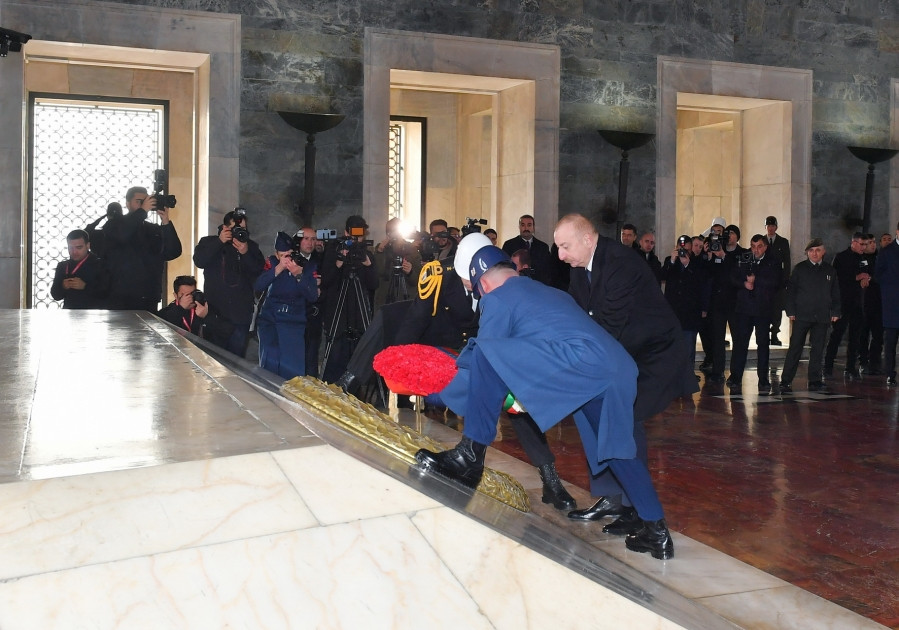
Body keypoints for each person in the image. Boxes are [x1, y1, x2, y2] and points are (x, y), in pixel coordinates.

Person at [415, 245, 673, 559]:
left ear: (481, 284)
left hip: (581, 364)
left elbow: (486, 359)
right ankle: (656, 531)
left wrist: (437, 389)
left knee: (484, 350)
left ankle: (471, 454)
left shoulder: (497, 299)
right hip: (615, 367)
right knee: (618, 449)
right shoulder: (551, 293)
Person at [554, 213, 696, 536]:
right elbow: (579, 318)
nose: (560, 255)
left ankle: (636, 509)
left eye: (565, 246)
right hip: (620, 351)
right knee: (594, 413)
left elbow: (607, 326)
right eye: (558, 247)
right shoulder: (579, 267)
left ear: (587, 239)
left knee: (623, 420)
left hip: (652, 353)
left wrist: (573, 362)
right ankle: (613, 497)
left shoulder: (621, 263)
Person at [192, 208, 266, 357]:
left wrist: (245, 253)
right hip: (214, 314)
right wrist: (219, 242)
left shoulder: (251, 246)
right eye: (235, 229)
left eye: (242, 229)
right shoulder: (209, 242)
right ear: (225, 227)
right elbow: (199, 261)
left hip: (240, 316)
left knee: (236, 362)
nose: (239, 232)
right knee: (212, 360)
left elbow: (258, 271)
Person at [103, 186, 182, 311]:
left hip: (148, 296)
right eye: (139, 201)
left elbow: (173, 252)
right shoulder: (114, 224)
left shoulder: (153, 229)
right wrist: (142, 211)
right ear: (127, 203)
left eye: (146, 201)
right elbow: (123, 235)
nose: (144, 205)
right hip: (120, 296)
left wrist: (166, 222)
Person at [320, 216, 379, 383]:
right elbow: (326, 281)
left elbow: (374, 284)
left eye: (360, 235)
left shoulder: (365, 255)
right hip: (338, 313)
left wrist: (368, 266)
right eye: (354, 234)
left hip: (359, 314)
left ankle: (358, 390)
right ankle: (331, 388)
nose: (357, 239)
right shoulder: (334, 250)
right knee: (336, 353)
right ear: (346, 232)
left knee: (360, 353)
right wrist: (338, 263)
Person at [253, 232, 319, 380]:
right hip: (270, 319)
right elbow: (258, 285)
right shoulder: (271, 263)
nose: (288, 259)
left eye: (290, 254)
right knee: (269, 364)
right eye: (283, 255)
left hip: (293, 321)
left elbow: (312, 296)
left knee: (292, 368)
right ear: (277, 254)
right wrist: (278, 269)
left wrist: (298, 275)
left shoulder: (306, 266)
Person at [780, 239, 840, 393]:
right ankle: (786, 380)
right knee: (795, 348)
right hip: (802, 315)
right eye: (812, 250)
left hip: (822, 316)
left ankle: (815, 380)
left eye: (818, 250)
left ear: (823, 252)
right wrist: (790, 310)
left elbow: (835, 293)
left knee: (818, 349)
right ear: (807, 252)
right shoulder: (800, 269)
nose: (815, 253)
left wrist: (835, 311)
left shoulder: (829, 270)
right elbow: (791, 292)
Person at [726, 235, 781, 395]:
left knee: (763, 344)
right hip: (744, 309)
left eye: (759, 246)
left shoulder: (773, 261)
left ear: (765, 247)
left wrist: (756, 280)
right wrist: (744, 283)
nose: (755, 250)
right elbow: (733, 278)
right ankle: (736, 377)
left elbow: (776, 282)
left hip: (763, 310)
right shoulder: (744, 259)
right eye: (753, 246)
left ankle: (763, 379)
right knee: (740, 343)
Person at [824, 233, 868, 378]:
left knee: (855, 337)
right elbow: (835, 278)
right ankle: (828, 367)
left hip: (857, 303)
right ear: (853, 243)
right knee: (836, 335)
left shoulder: (864, 258)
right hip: (843, 303)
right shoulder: (841, 257)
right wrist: (856, 277)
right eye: (861, 244)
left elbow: (868, 272)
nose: (864, 247)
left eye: (865, 244)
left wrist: (866, 278)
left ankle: (850, 368)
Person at [662, 235, 709, 372]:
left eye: (687, 250)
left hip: (690, 312)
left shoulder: (697, 263)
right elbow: (662, 275)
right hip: (673, 311)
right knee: (672, 345)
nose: (684, 253)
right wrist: (672, 260)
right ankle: (673, 374)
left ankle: (688, 376)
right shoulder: (670, 261)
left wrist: (687, 265)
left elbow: (700, 282)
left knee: (689, 345)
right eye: (681, 250)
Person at [50, 229, 109, 309]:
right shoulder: (63, 266)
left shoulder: (100, 264)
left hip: (94, 315)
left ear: (87, 246)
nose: (74, 252)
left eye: (79, 247)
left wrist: (85, 286)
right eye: (71, 248)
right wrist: (63, 286)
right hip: (69, 315)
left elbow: (107, 294)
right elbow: (56, 296)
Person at [294, 227, 325, 377]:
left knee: (312, 356)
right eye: (306, 238)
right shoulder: (291, 259)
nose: (310, 243)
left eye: (313, 239)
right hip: (295, 315)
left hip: (313, 316)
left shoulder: (320, 260)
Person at [158, 275, 229, 339]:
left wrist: (206, 317)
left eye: (192, 294)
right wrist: (181, 308)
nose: (189, 298)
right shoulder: (167, 312)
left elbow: (227, 332)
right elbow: (160, 332)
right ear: (175, 295)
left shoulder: (204, 307)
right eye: (184, 295)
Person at [373, 217, 421, 308]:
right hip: (385, 299)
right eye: (391, 231)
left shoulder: (411, 250)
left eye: (396, 231)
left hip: (405, 300)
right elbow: (377, 273)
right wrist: (380, 251)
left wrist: (410, 272)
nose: (394, 235)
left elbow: (418, 280)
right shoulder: (381, 249)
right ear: (387, 233)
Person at [876, 223, 899, 386]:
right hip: (893, 303)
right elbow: (878, 275)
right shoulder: (887, 251)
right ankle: (890, 373)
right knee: (890, 341)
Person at [501, 214, 552, 285]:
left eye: (529, 225)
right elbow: (504, 267)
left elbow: (548, 270)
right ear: (519, 227)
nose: (526, 228)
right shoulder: (509, 245)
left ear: (533, 227)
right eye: (523, 225)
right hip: (516, 284)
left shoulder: (543, 247)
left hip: (538, 286)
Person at [765, 216, 791, 346]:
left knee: (776, 310)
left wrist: (785, 280)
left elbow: (787, 262)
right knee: (764, 308)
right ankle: (764, 333)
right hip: (763, 282)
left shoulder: (783, 242)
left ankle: (774, 334)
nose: (770, 228)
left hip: (778, 281)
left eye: (772, 226)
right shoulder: (761, 240)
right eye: (768, 226)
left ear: (776, 227)